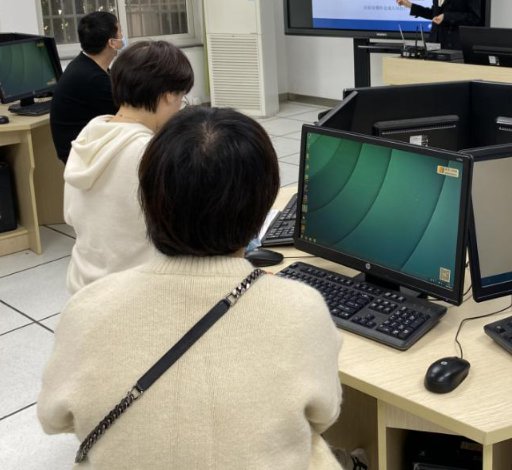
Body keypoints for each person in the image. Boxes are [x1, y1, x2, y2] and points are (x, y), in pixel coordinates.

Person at [39, 107, 345, 470]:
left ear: (147, 200)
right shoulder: (302, 309)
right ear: (261, 207)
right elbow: (325, 414)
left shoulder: (87, 307)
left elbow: (53, 419)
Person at [64, 40, 194, 295]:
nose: (180, 106)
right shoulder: (148, 153)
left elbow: (70, 215)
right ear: (169, 95)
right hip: (134, 292)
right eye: (181, 98)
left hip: (82, 286)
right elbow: (185, 233)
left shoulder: (90, 135)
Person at [49, 11, 122, 163]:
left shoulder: (85, 64)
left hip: (86, 145)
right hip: (82, 156)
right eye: (120, 32)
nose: (122, 37)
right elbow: (127, 114)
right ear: (112, 42)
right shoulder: (92, 77)